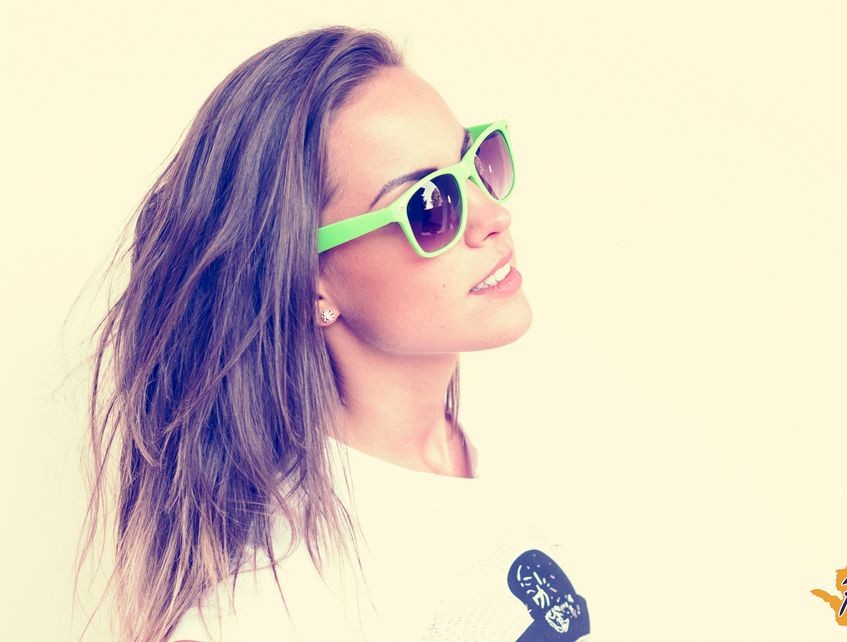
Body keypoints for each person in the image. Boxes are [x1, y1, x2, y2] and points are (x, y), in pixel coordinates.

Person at [78, 26, 591, 642]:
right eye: (431, 204)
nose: (494, 216)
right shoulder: (263, 614)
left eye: (478, 164)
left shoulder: (489, 447)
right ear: (309, 282)